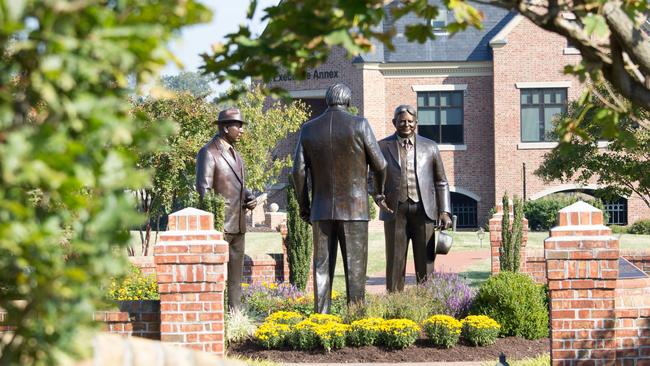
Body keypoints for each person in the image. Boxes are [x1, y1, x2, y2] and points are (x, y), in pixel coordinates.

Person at [292, 83, 387, 313]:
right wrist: (379, 192)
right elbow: (381, 165)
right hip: (354, 209)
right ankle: (355, 318)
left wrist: (305, 206)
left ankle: (321, 319)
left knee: (321, 267)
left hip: (321, 209)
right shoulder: (359, 124)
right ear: (348, 102)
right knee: (355, 269)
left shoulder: (308, 129)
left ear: (327, 101)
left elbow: (298, 172)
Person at [374, 104, 452, 292]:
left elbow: (441, 181)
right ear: (394, 123)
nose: (406, 125)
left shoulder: (430, 147)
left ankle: (426, 301)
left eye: (410, 121)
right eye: (401, 121)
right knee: (394, 261)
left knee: (425, 261)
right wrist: (377, 196)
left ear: (416, 123)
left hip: (424, 211)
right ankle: (394, 304)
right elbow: (371, 177)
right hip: (394, 210)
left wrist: (444, 211)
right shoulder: (382, 146)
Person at [196, 107, 257, 310]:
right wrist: (214, 223)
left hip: (238, 225)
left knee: (235, 278)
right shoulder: (208, 152)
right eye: (237, 126)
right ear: (224, 128)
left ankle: (235, 314)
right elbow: (204, 191)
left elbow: (236, 184)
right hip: (221, 226)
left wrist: (249, 197)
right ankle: (215, 315)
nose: (241, 130)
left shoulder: (236, 154)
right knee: (216, 275)